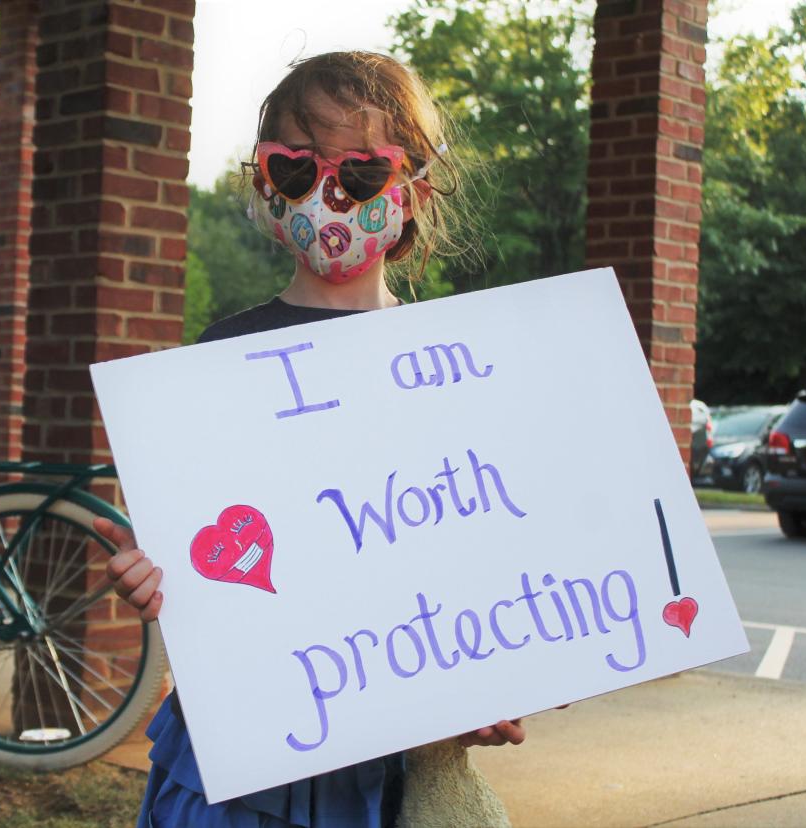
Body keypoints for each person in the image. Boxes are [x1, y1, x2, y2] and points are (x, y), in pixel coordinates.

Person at [93, 50, 527, 828]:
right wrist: (159, 578)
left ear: (412, 189)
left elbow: (468, 557)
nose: (326, 196)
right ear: (265, 184)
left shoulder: (456, 369)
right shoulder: (223, 354)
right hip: (237, 753)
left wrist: (488, 682)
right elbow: (204, 542)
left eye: (359, 172)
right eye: (296, 169)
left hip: (380, 758)